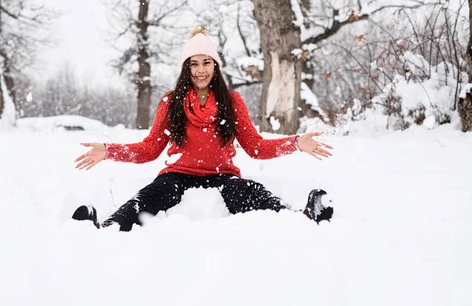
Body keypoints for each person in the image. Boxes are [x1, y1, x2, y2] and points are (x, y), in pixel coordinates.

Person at [72, 27, 334, 231]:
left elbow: (255, 146)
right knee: (152, 194)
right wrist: (108, 151)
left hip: (222, 175)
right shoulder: (170, 101)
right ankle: (107, 227)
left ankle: (299, 218)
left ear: (215, 65)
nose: (200, 70)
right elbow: (149, 149)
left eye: (206, 62)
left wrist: (296, 143)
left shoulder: (232, 102)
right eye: (193, 64)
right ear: (186, 68)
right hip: (178, 175)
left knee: (245, 190)